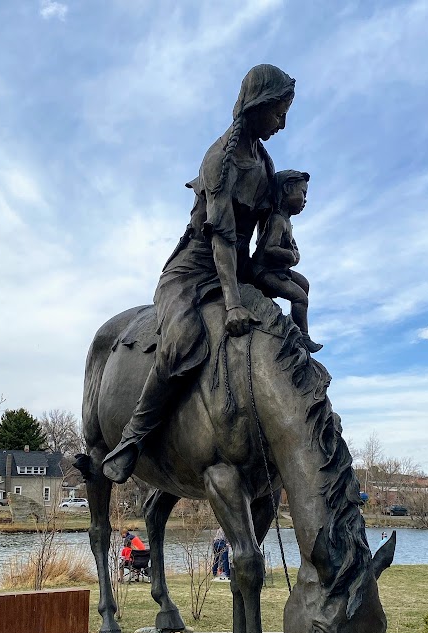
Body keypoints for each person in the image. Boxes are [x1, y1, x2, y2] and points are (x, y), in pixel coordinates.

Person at [103, 64, 296, 484]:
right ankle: (134, 437)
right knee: (183, 341)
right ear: (257, 107)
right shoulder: (219, 162)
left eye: (285, 114)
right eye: (278, 113)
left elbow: (257, 240)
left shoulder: (263, 162)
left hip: (236, 271)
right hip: (192, 273)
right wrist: (232, 304)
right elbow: (222, 241)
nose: (282, 124)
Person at [251, 169, 321, 352]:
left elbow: (292, 246)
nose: (305, 200)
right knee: (300, 297)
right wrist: (289, 256)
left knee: (304, 283)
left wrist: (295, 253)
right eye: (303, 193)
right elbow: (268, 248)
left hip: (280, 270)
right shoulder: (276, 220)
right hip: (264, 271)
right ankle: (302, 337)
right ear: (288, 189)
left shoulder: (287, 221)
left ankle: (295, 322)